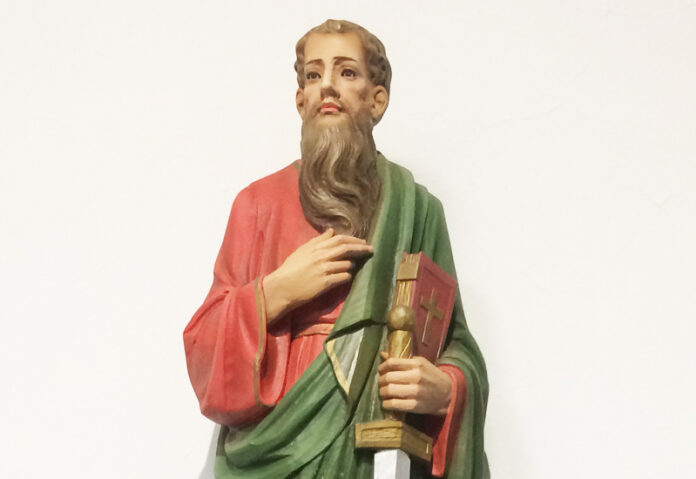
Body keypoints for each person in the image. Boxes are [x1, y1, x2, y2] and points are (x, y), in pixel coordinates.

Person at [183, 19, 489, 478]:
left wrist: (446, 388)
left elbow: (454, 341)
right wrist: (276, 292)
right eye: (313, 74)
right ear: (300, 100)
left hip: (370, 443)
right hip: (272, 443)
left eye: (346, 72)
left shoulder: (417, 209)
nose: (327, 85)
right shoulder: (257, 204)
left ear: (376, 99)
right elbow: (204, 346)